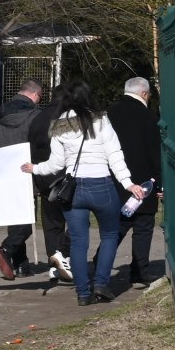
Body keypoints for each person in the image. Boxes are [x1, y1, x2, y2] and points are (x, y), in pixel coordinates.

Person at [26, 81, 145, 305]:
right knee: (110, 235)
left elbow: (55, 164)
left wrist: (35, 168)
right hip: (102, 185)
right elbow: (114, 154)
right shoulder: (101, 119)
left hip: (74, 189)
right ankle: (101, 283)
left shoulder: (60, 124)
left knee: (79, 242)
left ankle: (82, 292)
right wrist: (128, 183)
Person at [0, 79, 63, 282]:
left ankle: (21, 264)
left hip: (1, 173)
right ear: (36, 95)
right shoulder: (36, 117)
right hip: (26, 173)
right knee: (25, 221)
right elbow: (42, 147)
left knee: (15, 217)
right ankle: (6, 249)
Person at [105, 77, 164, 289]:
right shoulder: (149, 117)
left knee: (116, 225)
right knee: (143, 226)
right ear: (145, 94)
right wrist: (160, 183)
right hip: (143, 179)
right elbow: (154, 153)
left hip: (114, 178)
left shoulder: (109, 113)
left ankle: (101, 261)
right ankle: (140, 270)